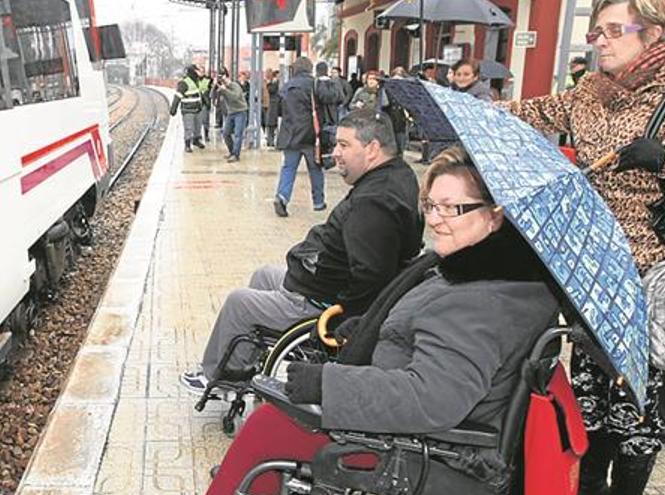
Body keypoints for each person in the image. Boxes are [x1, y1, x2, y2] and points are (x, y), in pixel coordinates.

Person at [204, 146, 560, 495]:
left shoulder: (480, 303)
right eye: (431, 206)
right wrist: (367, 329)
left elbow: (431, 399)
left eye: (451, 208)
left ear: (495, 215)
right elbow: (426, 333)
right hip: (417, 434)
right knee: (271, 422)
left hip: (424, 453)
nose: (435, 219)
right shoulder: (481, 273)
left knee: (272, 424)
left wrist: (327, 384)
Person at [502, 1, 665, 493]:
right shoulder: (589, 90)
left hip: (646, 273)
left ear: (651, 33)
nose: (599, 40)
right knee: (590, 399)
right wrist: (464, 109)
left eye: (611, 30)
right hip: (590, 268)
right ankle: (588, 487)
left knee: (634, 409)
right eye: (594, 31)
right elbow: (533, 111)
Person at [180, 108, 424, 394]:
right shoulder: (397, 174)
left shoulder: (374, 203)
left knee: (239, 302)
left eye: (344, 145)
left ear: (372, 149)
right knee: (264, 275)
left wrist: (341, 319)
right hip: (318, 283)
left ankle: (220, 377)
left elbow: (370, 275)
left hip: (319, 301)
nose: (335, 153)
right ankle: (244, 362)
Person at [273, 57, 325, 216]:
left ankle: (282, 197)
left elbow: (279, 111)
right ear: (310, 69)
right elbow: (331, 99)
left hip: (290, 135)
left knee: (288, 168)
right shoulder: (314, 84)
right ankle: (318, 202)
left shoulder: (286, 87)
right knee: (315, 169)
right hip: (311, 135)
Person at [314, 62, 344, 169]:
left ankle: (321, 160)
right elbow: (341, 98)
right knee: (330, 140)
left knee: (321, 140)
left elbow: (319, 98)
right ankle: (329, 159)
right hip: (333, 116)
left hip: (320, 117)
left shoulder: (316, 84)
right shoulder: (334, 83)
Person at [216, 70, 249, 163]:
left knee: (238, 134)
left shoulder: (235, 86)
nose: (223, 82)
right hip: (231, 112)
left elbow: (234, 97)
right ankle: (232, 152)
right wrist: (216, 87)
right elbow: (214, 95)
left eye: (224, 79)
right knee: (226, 133)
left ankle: (236, 155)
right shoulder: (223, 88)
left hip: (240, 112)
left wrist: (225, 90)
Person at [170, 64, 205, 152]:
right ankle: (187, 144)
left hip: (198, 108)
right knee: (189, 127)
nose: (199, 72)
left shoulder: (196, 81)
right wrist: (173, 109)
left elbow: (199, 93)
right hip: (188, 109)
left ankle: (196, 141)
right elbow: (177, 96)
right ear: (193, 71)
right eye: (197, 70)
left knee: (198, 126)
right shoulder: (184, 82)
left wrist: (205, 102)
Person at [265, 70, 281, 148]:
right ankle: (270, 141)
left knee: (275, 124)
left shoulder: (278, 84)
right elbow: (271, 90)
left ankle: (273, 141)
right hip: (274, 106)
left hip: (278, 106)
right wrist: (270, 83)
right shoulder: (273, 84)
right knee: (271, 124)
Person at [197, 65, 212, 142]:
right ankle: (198, 135)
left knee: (205, 119)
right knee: (197, 120)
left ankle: (206, 135)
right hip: (197, 102)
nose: (201, 73)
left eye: (202, 71)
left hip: (205, 102)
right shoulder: (195, 80)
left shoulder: (208, 80)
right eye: (200, 71)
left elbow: (212, 89)